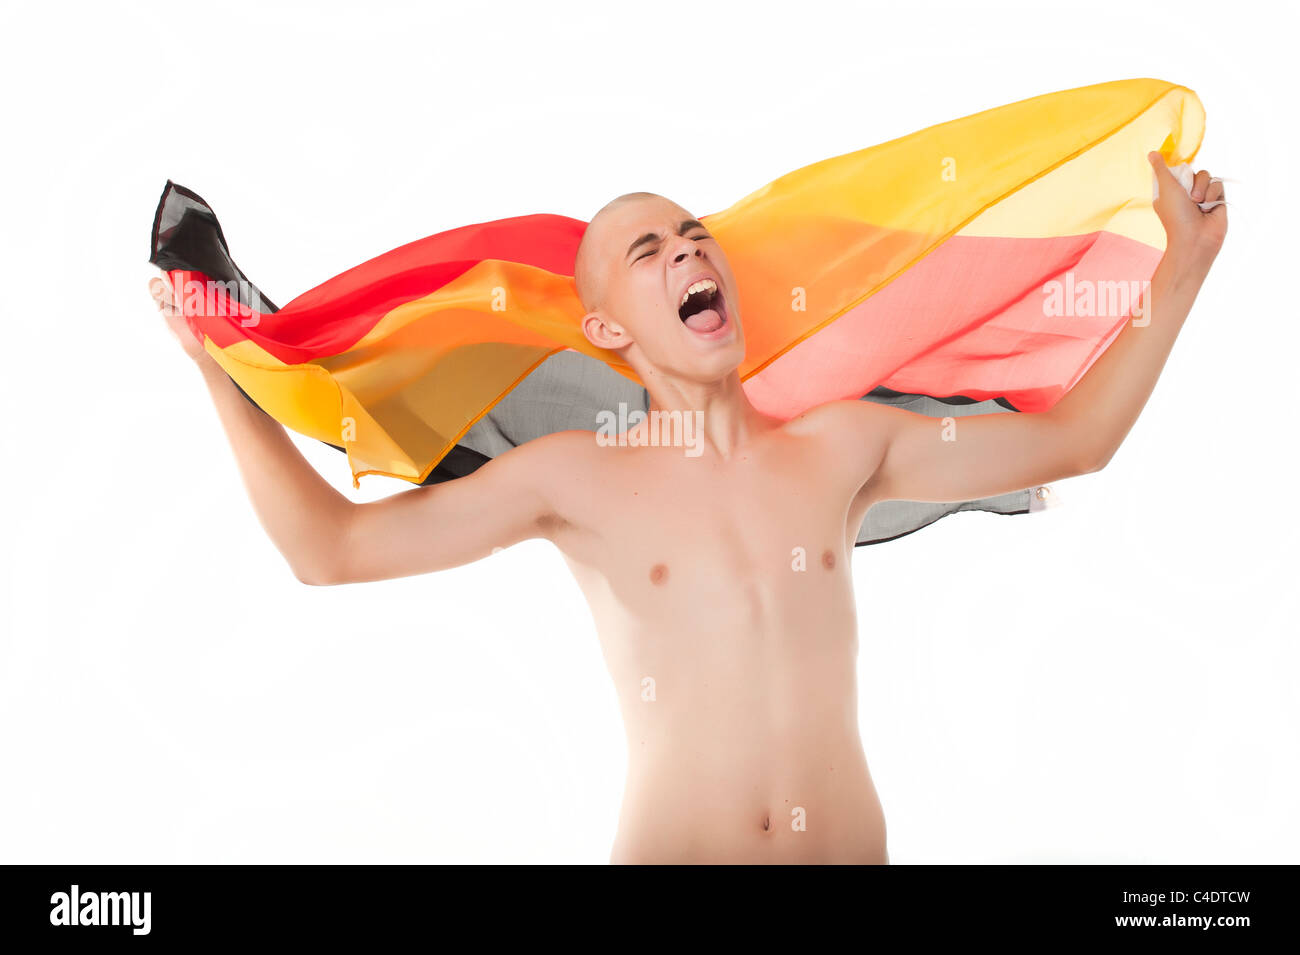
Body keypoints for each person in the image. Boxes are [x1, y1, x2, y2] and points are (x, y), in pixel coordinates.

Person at [148, 153, 1225, 864]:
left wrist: (1181, 270)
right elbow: (328, 549)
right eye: (648, 253)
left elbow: (1074, 441)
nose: (689, 254)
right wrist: (216, 370)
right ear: (612, 332)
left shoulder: (844, 445)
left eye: (695, 235)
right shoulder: (571, 477)